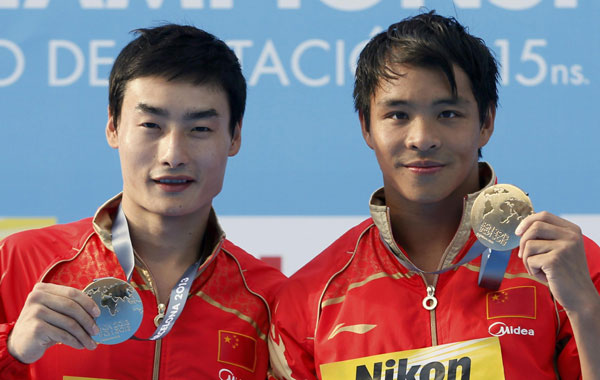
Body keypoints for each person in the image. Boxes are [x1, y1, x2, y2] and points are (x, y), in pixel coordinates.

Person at [268, 11, 600, 380]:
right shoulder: (310, 298)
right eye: (397, 115)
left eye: (448, 113)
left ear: (486, 122)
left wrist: (586, 309)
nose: (422, 138)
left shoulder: (569, 267)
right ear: (366, 126)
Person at [0, 24, 284, 379]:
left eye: (200, 129)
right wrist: (11, 351)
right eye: (151, 125)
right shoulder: (21, 264)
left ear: (234, 137)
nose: (173, 154)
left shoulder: (271, 301)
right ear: (113, 127)